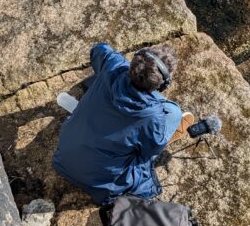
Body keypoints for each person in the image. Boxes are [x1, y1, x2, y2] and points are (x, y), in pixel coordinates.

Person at [53, 42, 194, 206]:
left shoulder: (113, 64)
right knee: (171, 118)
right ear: (162, 85)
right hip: (98, 180)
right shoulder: (158, 116)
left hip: (64, 155)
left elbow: (99, 48)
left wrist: (122, 65)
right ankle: (165, 135)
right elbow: (147, 154)